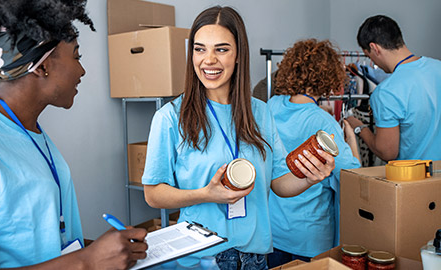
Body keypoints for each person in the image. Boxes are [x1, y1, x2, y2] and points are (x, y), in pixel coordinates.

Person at [141, 6, 335, 269]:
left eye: (221, 49)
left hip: (255, 258)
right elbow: (153, 194)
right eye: (200, 49)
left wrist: (311, 176)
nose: (208, 60)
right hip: (202, 259)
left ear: (238, 55)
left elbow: (279, 183)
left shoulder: (261, 113)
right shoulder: (170, 117)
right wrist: (206, 194)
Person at [0, 1, 147, 269]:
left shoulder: (31, 132)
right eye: (76, 56)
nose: (81, 71)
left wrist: (106, 250)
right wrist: (87, 262)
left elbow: (42, 240)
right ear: (41, 67)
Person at [266, 39, 361, 268]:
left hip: (273, 231)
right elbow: (352, 177)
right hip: (310, 237)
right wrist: (352, 142)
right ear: (329, 78)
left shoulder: (271, 105)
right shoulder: (324, 122)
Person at [346, 15, 441, 161]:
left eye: (369, 56)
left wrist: (359, 127)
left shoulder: (386, 92)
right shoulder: (438, 67)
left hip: (416, 179)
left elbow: (387, 152)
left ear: (374, 48)